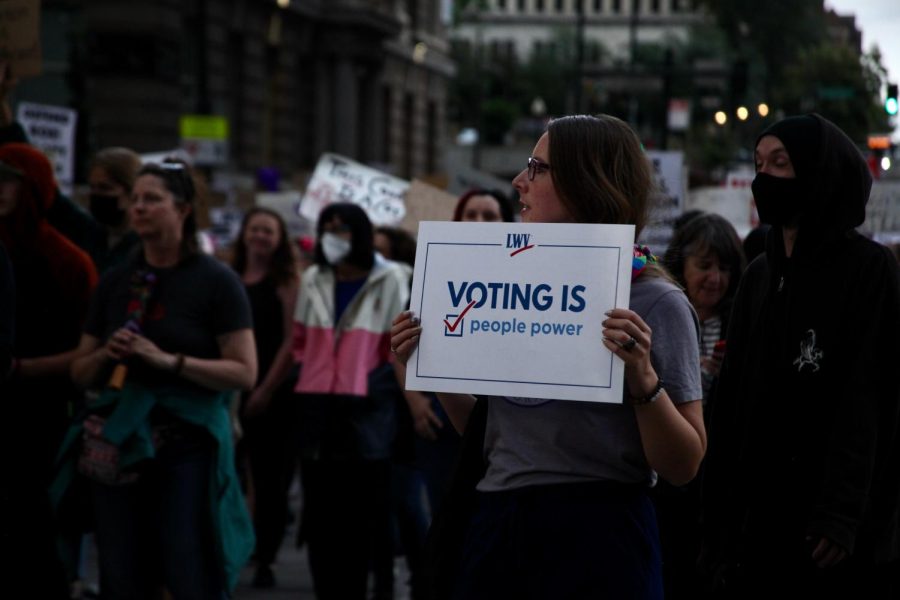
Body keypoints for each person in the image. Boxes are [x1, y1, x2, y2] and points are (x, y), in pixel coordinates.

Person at [391, 114, 706, 599]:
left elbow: (684, 464)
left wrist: (644, 381)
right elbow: (490, 435)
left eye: (537, 168)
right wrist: (431, 362)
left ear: (587, 182)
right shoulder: (502, 286)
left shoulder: (655, 302)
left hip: (600, 533)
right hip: (498, 523)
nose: (519, 182)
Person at [701, 114, 900, 598]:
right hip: (755, 523)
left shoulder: (868, 271)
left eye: (780, 164)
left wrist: (841, 511)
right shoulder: (759, 277)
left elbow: (869, 396)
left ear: (817, 173)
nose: (763, 177)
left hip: (824, 531)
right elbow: (734, 395)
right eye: (758, 163)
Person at [54, 160, 257, 599]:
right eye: (136, 200)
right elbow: (79, 370)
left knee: (189, 571)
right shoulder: (115, 282)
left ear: (182, 209)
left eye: (152, 199)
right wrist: (107, 354)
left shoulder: (216, 282)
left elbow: (243, 371)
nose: (138, 208)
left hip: (186, 448)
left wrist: (168, 361)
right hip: (119, 450)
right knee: (123, 574)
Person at [293, 202, 411, 599]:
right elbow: (298, 342)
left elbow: (399, 347)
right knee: (321, 521)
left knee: (366, 523)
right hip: (317, 408)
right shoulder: (312, 278)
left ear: (359, 233)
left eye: (342, 228)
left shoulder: (393, 277)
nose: (333, 235)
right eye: (327, 227)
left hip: (367, 410)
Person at [0, 144, 98, 598]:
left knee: (34, 529)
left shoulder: (67, 261)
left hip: (42, 413)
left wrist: (24, 369)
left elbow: (88, 350)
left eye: (9, 180)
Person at [655, 212, 745, 599]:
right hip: (668, 480)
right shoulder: (660, 316)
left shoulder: (741, 322)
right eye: (704, 266)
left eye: (724, 268)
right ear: (681, 266)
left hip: (718, 482)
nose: (715, 278)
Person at [230, 206, 300, 588]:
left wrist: (265, 389)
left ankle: (265, 556)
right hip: (231, 391)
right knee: (233, 473)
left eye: (267, 231)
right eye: (254, 228)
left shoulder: (285, 282)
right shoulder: (230, 277)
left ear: (279, 239)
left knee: (271, 479)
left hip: (274, 394)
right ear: (244, 233)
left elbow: (291, 342)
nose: (259, 236)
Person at [87, 147, 143, 273]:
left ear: (131, 192)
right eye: (92, 187)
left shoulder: (146, 247)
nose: (96, 195)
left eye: (105, 188)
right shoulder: (89, 234)